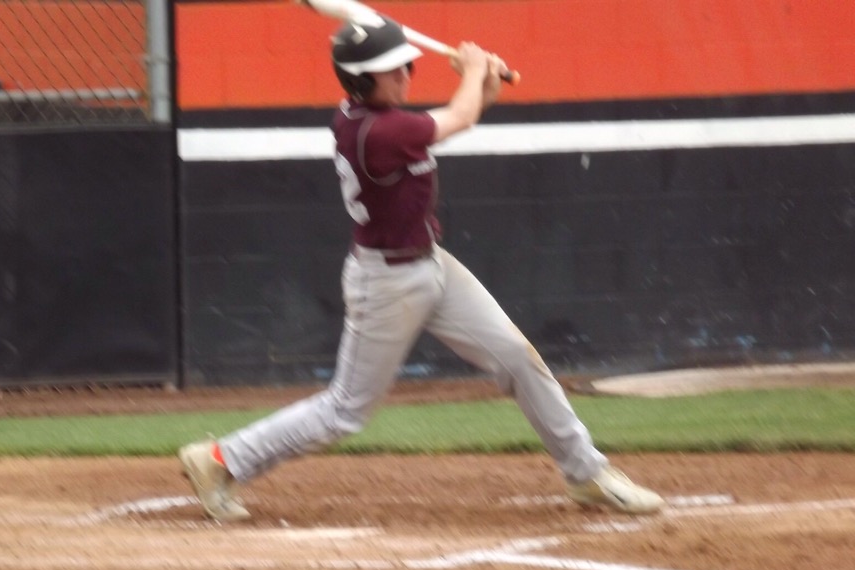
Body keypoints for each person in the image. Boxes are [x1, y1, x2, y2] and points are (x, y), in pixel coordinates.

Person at [179, 18, 663, 522]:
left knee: (518, 358)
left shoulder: (375, 118)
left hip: (431, 265)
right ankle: (219, 460)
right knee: (345, 410)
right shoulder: (378, 132)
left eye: (405, 65)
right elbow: (459, 115)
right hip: (387, 285)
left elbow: (465, 112)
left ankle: (586, 472)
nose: (406, 74)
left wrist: (482, 81)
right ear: (361, 80)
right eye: (392, 69)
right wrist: (472, 72)